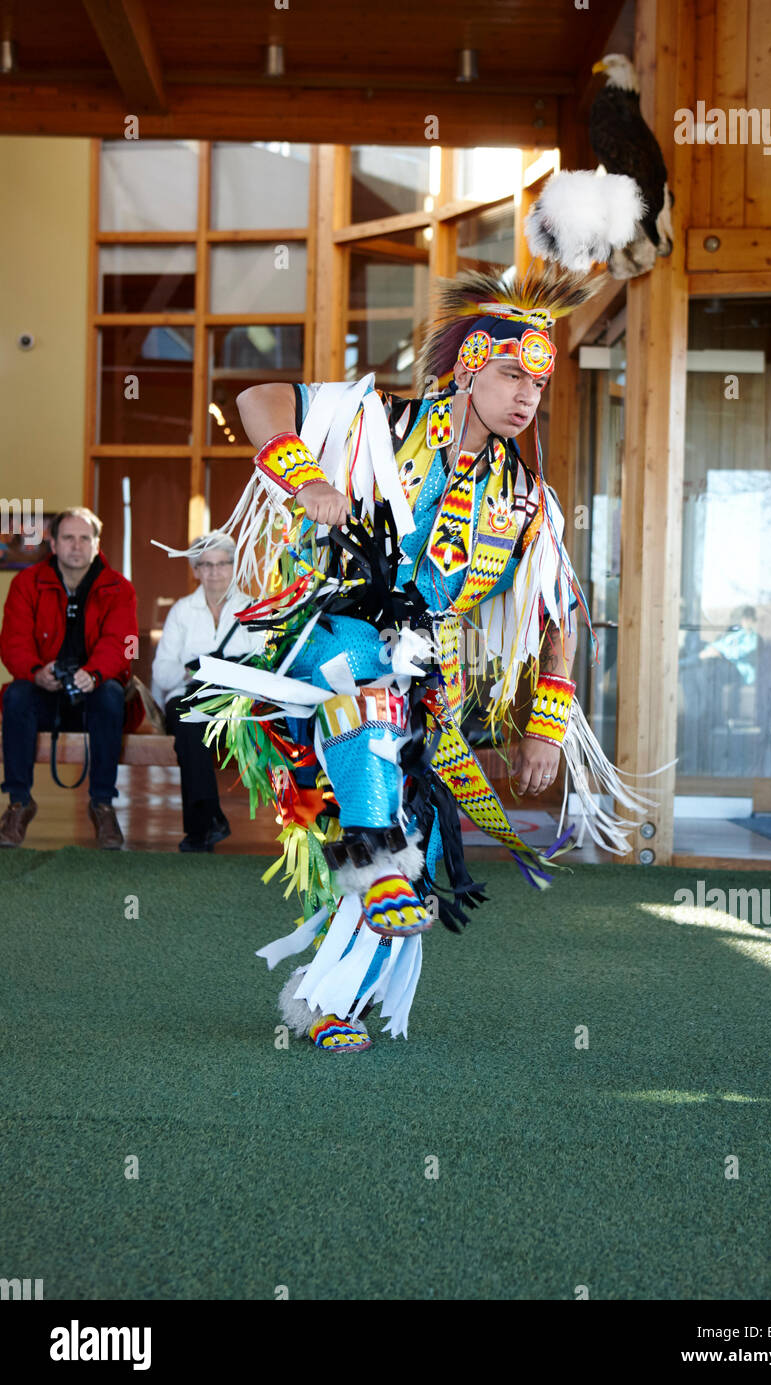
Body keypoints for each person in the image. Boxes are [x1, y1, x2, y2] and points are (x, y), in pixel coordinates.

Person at [154, 219, 654, 1053]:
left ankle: (326, 1004)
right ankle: (376, 863)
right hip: (312, 646)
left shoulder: (526, 500)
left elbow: (559, 614)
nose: (528, 395)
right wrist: (307, 477)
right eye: (509, 373)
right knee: (367, 686)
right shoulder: (371, 422)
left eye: (540, 381)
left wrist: (547, 722)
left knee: (409, 857)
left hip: (422, 685)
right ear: (467, 370)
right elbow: (257, 401)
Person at [0, 507, 138, 849]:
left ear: (96, 544)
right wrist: (35, 672)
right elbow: (13, 639)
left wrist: (94, 673)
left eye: (84, 539)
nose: (76, 546)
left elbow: (124, 644)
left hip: (93, 693)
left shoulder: (120, 588)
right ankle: (19, 802)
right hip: (44, 691)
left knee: (110, 694)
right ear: (53, 542)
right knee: (16, 695)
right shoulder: (26, 583)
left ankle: (103, 804)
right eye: (68, 538)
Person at [151, 533, 263, 851]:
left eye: (222, 564)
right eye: (206, 565)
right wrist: (194, 669)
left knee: (192, 725)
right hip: (188, 695)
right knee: (187, 720)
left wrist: (229, 670)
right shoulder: (181, 611)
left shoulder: (253, 610)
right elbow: (161, 673)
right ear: (196, 570)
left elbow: (266, 668)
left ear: (234, 566)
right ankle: (205, 822)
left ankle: (204, 825)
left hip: (236, 701)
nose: (214, 572)